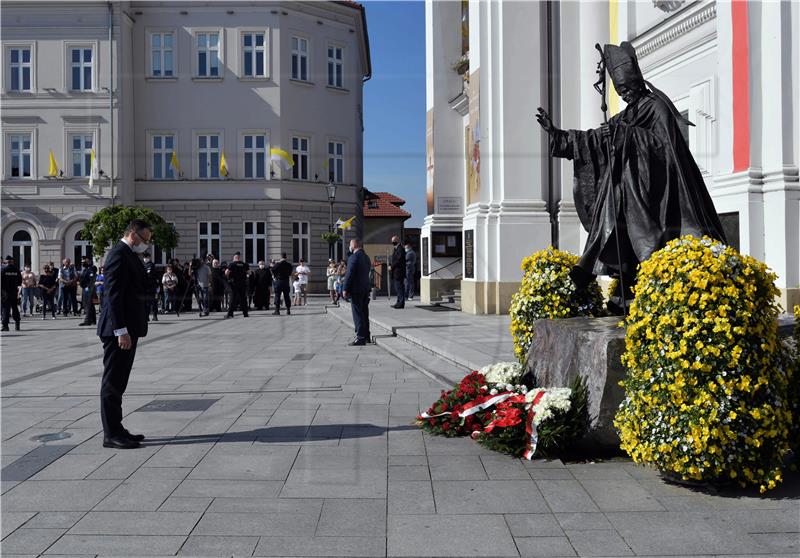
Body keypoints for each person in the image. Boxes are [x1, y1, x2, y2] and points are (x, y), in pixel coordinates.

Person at [536, 41, 726, 314]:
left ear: (637, 81)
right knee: (611, 209)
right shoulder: (625, 116)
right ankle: (624, 283)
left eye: (627, 88)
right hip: (627, 195)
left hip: (659, 194)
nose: (625, 95)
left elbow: (666, 148)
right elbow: (593, 140)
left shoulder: (656, 107)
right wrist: (558, 134)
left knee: (625, 213)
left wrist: (627, 136)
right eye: (620, 91)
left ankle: (634, 274)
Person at [96, 219, 151, 449]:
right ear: (132, 233)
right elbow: (113, 296)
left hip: (128, 327)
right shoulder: (118, 254)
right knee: (112, 382)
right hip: (118, 329)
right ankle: (111, 434)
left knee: (119, 382)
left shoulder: (129, 254)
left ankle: (117, 428)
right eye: (145, 238)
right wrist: (121, 330)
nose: (147, 243)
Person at [342, 238, 371, 346]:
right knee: (364, 313)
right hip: (365, 288)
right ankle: (366, 335)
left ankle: (360, 337)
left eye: (350, 245)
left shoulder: (354, 257)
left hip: (356, 289)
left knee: (357, 313)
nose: (349, 247)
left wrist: (345, 289)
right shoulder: (366, 257)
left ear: (354, 245)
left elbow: (349, 274)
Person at [225, 251, 249, 318]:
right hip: (242, 284)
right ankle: (245, 313)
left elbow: (227, 272)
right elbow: (249, 273)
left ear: (234, 257)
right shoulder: (244, 264)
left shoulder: (232, 264)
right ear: (239, 257)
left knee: (232, 299)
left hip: (234, 284)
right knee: (243, 299)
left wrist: (227, 277)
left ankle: (230, 314)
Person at [1, 255, 22, 331]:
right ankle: (17, 324)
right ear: (12, 261)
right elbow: (20, 282)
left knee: (5, 309)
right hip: (14, 292)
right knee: (15, 308)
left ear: (6, 261)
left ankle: (5, 326)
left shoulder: (3, 269)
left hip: (5, 293)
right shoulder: (16, 270)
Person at [389, 235, 406, 309]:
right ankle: (398, 302)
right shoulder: (396, 249)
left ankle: (401, 303)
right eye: (392, 241)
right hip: (396, 272)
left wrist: (391, 266)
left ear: (397, 240)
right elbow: (394, 259)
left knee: (399, 288)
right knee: (398, 288)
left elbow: (398, 260)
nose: (393, 242)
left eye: (394, 241)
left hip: (399, 272)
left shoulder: (400, 249)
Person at [142, 253, 159, 321]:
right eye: (144, 257)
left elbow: (149, 275)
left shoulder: (151, 265)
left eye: (146, 257)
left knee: (153, 302)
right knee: (147, 302)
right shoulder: (144, 265)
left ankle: (154, 315)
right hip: (146, 287)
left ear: (149, 257)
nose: (145, 258)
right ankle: (147, 316)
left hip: (151, 287)